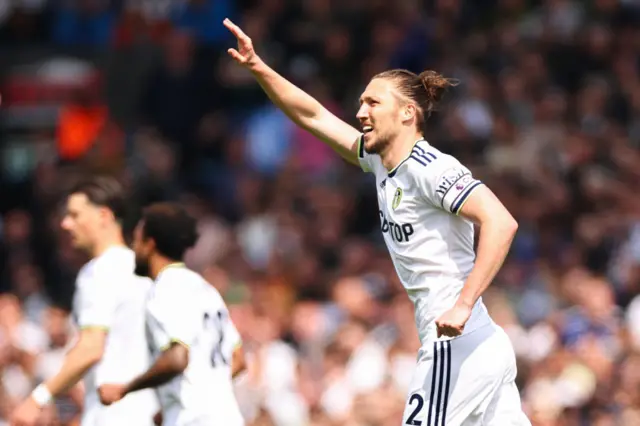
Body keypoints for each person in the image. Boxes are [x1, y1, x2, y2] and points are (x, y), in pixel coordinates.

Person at [223, 18, 532, 426]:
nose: (360, 112)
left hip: (456, 344)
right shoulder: (381, 162)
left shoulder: (431, 167)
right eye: (360, 102)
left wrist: (463, 304)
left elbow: (501, 222)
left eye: (372, 103)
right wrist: (259, 68)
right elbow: (313, 115)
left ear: (407, 113)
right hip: (476, 346)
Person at [10, 176, 158, 426]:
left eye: (75, 215)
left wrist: (38, 398)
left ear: (104, 216)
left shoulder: (99, 272)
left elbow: (91, 347)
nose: (66, 224)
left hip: (112, 415)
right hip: (147, 413)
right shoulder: (146, 274)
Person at [98, 202, 246, 426]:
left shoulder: (166, 288)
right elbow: (238, 359)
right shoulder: (204, 288)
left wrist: (124, 389)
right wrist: (177, 401)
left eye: (137, 240)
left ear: (150, 245)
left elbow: (177, 359)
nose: (133, 247)